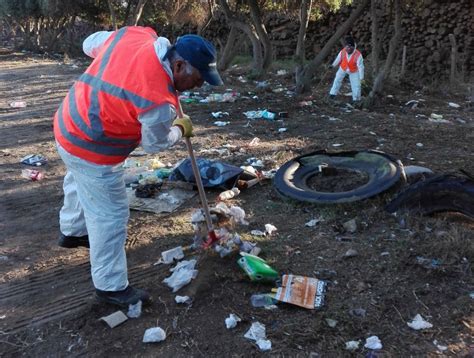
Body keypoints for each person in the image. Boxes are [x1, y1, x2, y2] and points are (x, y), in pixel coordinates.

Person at [53, 26, 223, 307]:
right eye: (198, 79)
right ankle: (110, 287)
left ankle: (72, 232)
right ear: (178, 65)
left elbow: (88, 43)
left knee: (78, 179)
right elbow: (155, 144)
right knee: (110, 215)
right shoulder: (157, 101)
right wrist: (181, 129)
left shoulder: (134, 36)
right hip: (93, 148)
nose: (198, 87)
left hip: (67, 126)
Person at [329, 36, 364, 102]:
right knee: (337, 80)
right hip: (343, 68)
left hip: (354, 71)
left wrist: (361, 78)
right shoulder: (343, 51)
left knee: (356, 85)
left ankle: (356, 100)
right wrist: (333, 65)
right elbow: (338, 59)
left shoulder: (358, 55)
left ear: (353, 47)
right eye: (347, 47)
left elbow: (361, 67)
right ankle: (332, 94)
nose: (348, 49)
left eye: (350, 47)